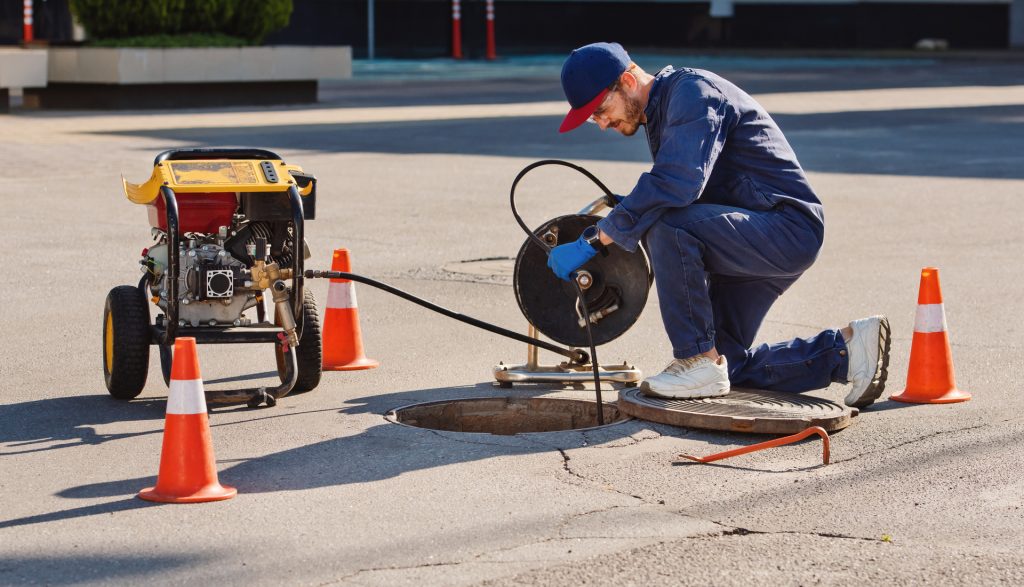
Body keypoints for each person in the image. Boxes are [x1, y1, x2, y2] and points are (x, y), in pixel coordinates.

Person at [547, 42, 891, 407]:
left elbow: (678, 181)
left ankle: (697, 361)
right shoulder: (664, 111)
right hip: (747, 238)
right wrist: (628, 214)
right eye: (592, 119)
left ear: (629, 81)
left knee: (667, 226)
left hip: (785, 228)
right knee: (730, 365)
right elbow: (679, 189)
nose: (601, 124)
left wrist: (594, 240)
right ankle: (847, 350)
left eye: (601, 110)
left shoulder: (692, 92)